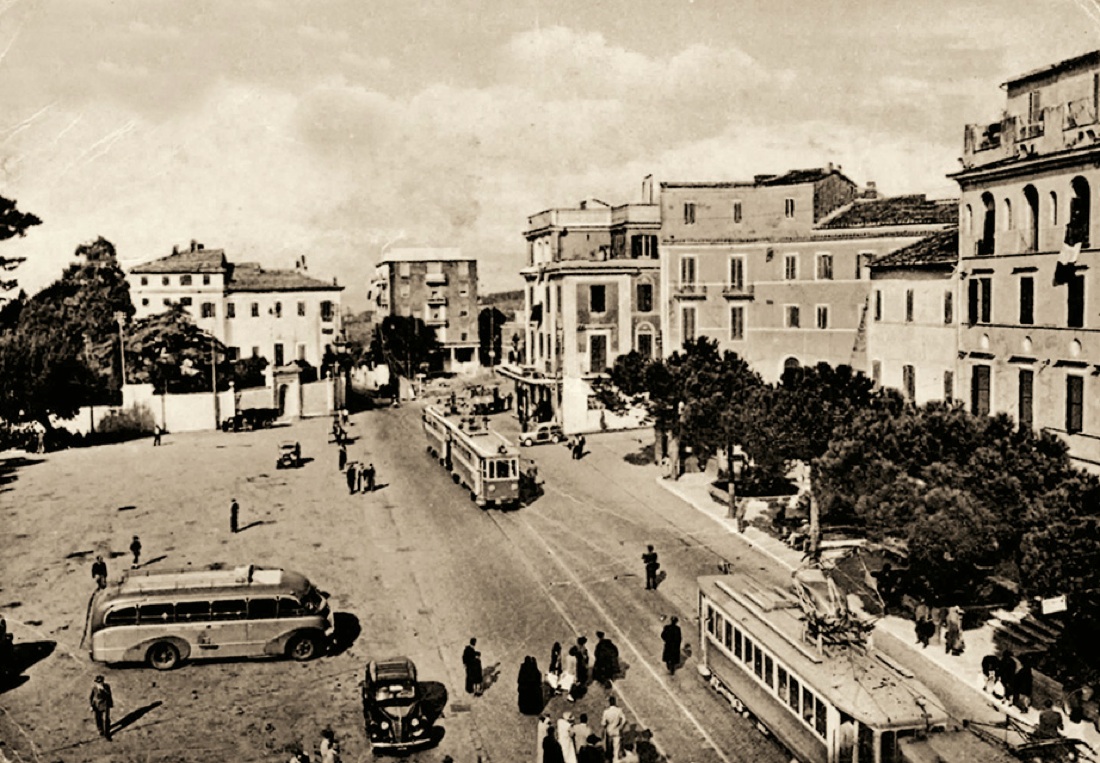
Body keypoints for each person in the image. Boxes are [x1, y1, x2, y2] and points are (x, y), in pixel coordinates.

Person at [601, 695, 626, 760]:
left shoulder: (606, 712)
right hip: (616, 731)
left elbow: (603, 723)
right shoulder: (619, 710)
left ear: (609, 702)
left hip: (609, 731)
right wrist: (620, 727)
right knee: (616, 750)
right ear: (615, 702)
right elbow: (624, 719)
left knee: (609, 748)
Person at [89, 675, 113, 740]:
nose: (99, 684)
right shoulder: (94, 688)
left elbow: (109, 695)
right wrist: (91, 706)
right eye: (97, 682)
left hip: (105, 704)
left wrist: (103, 689)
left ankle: (107, 734)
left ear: (103, 682)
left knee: (106, 719)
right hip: (97, 705)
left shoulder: (107, 687)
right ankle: (100, 730)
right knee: (98, 719)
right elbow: (91, 697)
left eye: (100, 682)